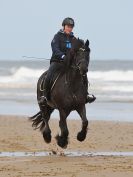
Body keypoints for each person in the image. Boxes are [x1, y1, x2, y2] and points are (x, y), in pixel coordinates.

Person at [39, 17, 96, 105]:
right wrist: (62, 56)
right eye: (68, 26)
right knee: (49, 74)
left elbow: (78, 51)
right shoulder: (57, 37)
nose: (69, 28)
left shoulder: (74, 39)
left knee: (82, 72)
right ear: (64, 26)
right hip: (57, 62)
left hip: (70, 63)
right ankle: (45, 97)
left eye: (71, 27)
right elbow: (55, 49)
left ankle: (86, 95)